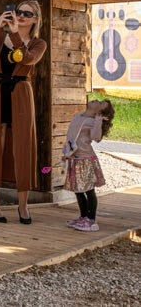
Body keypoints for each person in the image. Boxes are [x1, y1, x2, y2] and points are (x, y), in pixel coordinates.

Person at [0, 0, 47, 224]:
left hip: (20, 94)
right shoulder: (0, 36)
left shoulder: (39, 43)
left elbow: (28, 59)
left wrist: (16, 34)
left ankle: (23, 206)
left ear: (35, 19)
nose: (22, 16)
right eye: (18, 12)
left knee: (22, 147)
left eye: (28, 13)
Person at [64, 98, 114, 232]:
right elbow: (70, 136)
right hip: (74, 158)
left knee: (88, 190)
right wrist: (66, 153)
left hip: (86, 160)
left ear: (100, 112)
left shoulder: (93, 121)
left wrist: (98, 121)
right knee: (78, 190)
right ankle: (83, 217)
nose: (97, 100)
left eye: (101, 103)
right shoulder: (77, 117)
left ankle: (91, 221)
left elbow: (96, 137)